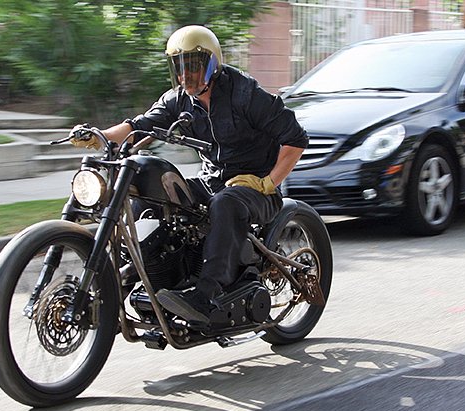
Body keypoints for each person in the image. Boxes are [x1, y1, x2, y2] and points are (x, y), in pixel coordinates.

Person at [70, 25, 308, 326]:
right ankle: (140, 278)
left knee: (226, 203)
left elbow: (295, 138)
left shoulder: (246, 94)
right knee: (153, 197)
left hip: (256, 189)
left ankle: (207, 295)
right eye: (179, 68)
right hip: (212, 181)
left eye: (193, 67)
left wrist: (267, 182)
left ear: (212, 64)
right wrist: (99, 136)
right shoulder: (179, 99)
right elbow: (138, 126)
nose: (186, 76)